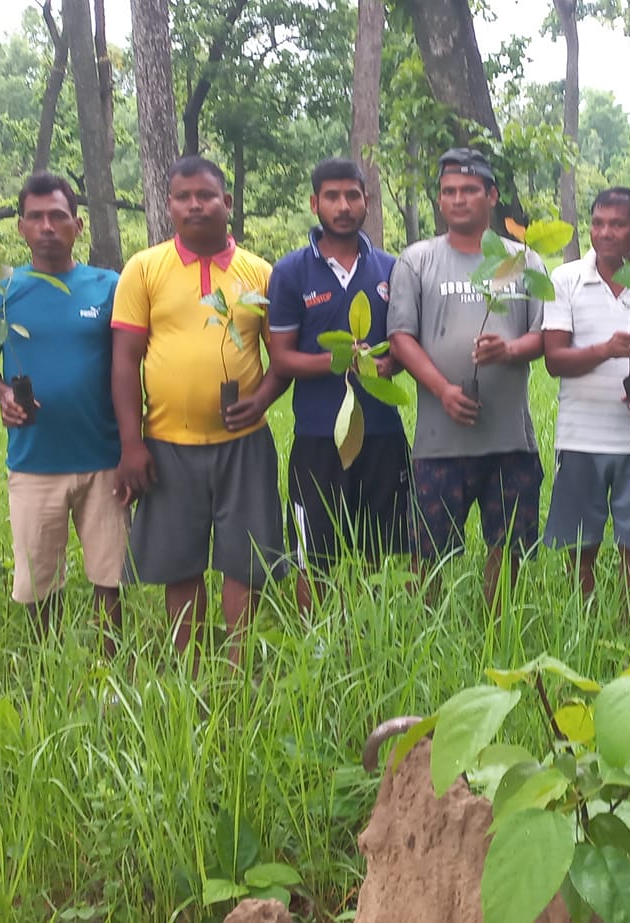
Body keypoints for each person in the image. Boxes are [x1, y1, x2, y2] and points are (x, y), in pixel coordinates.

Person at [110, 156, 288, 665]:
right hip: (168, 443)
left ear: (226, 203)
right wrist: (132, 442)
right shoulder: (144, 269)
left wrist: (265, 397)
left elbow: (281, 357)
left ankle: (237, 664)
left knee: (244, 562)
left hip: (244, 442)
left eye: (206, 195)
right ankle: (187, 664)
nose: (195, 205)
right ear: (168, 206)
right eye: (183, 197)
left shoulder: (259, 273)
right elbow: (124, 361)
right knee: (180, 561)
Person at [0, 173, 126, 649]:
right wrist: (3, 397)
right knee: (38, 580)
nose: (47, 226)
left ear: (78, 225)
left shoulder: (108, 286)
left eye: (58, 216)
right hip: (34, 459)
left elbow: (130, 362)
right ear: (20, 227)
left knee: (109, 576)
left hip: (103, 456)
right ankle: (46, 662)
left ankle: (107, 665)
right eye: (36, 217)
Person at [385, 148, 546, 608]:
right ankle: (427, 633)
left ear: (491, 196)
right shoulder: (416, 260)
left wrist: (510, 349)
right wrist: (442, 389)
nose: (458, 200)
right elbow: (401, 337)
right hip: (440, 441)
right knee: (428, 553)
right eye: (449, 192)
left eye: (469, 190)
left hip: (510, 439)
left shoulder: (522, 261)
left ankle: (500, 633)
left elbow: (545, 335)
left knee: (508, 547)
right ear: (439, 200)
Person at [267, 158, 408, 612]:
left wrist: (388, 366)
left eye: (352, 195)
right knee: (315, 552)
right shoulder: (290, 273)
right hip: (317, 434)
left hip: (382, 432)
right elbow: (282, 357)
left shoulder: (392, 269)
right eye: (332, 196)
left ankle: (376, 633)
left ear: (367, 200)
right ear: (314, 203)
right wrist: (338, 360)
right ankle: (320, 642)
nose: (343, 206)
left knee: (384, 545)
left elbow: (404, 347)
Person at [542, 187, 630, 612]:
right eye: (598, 223)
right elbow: (554, 360)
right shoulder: (565, 280)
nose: (605, 233)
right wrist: (605, 350)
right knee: (580, 541)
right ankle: (583, 623)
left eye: (618, 224)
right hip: (581, 436)